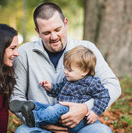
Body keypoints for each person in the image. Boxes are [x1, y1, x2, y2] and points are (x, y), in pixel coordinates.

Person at [10, 2, 121, 133]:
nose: (54, 37)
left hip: (82, 124)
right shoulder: (24, 53)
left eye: (57, 29)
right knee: (22, 132)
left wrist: (85, 107)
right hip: (41, 126)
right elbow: (16, 97)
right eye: (46, 32)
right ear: (37, 31)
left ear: (66, 23)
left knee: (102, 132)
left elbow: (113, 85)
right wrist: (41, 123)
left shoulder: (87, 49)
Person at [10, 46, 110, 133]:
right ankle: (31, 106)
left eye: (69, 70)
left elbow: (104, 96)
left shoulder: (92, 83)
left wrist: (94, 111)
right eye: (65, 68)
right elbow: (59, 89)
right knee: (47, 108)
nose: (65, 72)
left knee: (55, 109)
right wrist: (51, 87)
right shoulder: (68, 79)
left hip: (77, 120)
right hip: (60, 115)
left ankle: (35, 119)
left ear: (84, 71)